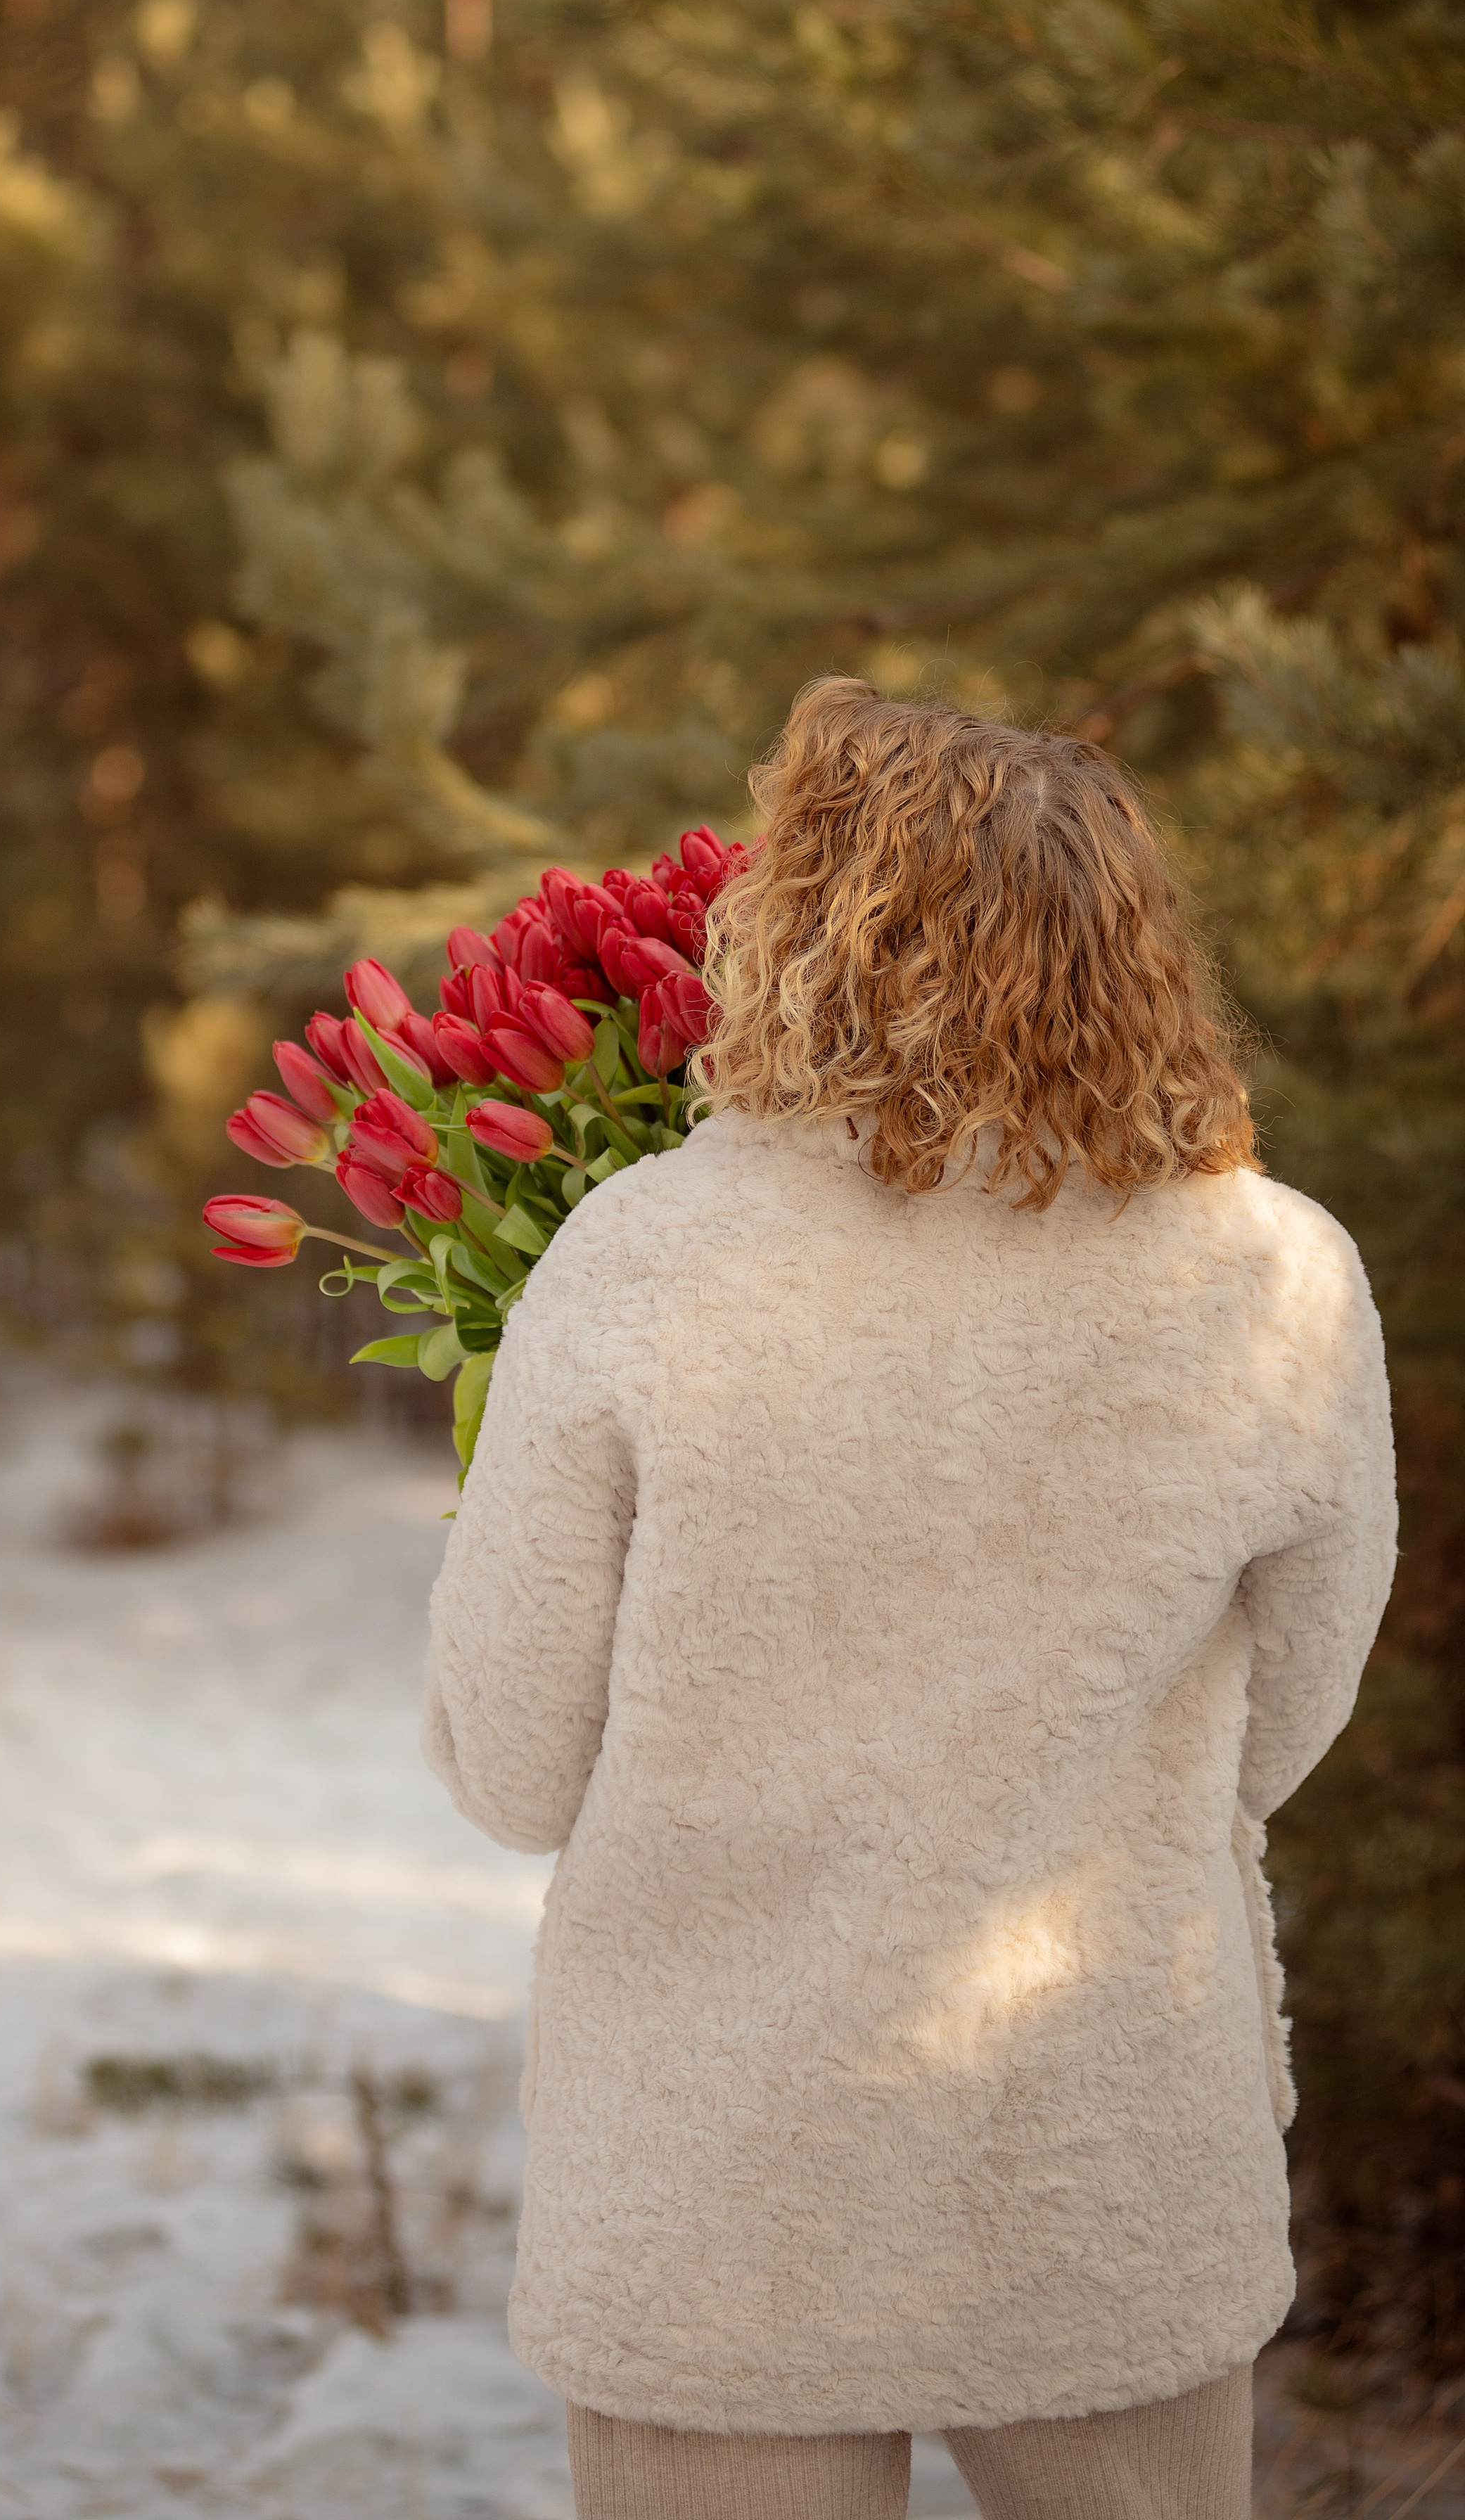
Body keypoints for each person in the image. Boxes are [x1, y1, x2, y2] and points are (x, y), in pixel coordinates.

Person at [422, 680, 1397, 2520]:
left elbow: (518, 1766)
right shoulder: (1276, 1275)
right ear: (1137, 947)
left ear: (798, 927)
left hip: (725, 2173)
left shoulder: (640, 1257)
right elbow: (1290, 1717)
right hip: (1103, 2142)